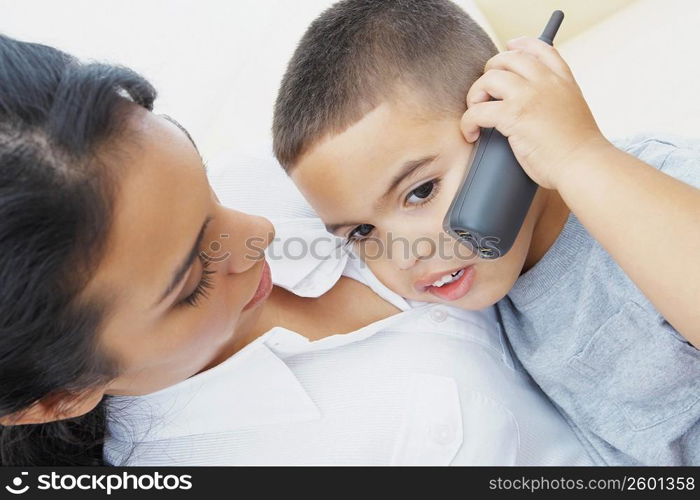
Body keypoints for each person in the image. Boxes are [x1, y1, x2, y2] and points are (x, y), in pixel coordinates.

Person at [0, 33, 591, 466]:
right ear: (58, 399)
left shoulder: (282, 168)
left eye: (206, 186)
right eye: (194, 282)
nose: (259, 231)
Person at [271, 0, 700, 464]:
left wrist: (579, 154)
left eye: (420, 192)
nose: (403, 254)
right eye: (362, 230)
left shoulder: (657, 182)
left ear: (501, 119)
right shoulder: (494, 305)